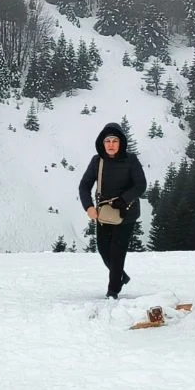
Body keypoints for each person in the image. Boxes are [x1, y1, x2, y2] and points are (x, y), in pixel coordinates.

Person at [78, 122, 147, 299]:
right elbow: (84, 186)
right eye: (107, 140)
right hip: (104, 213)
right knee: (103, 248)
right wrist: (89, 207)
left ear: (121, 142)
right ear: (102, 142)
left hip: (127, 213)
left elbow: (140, 185)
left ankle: (113, 290)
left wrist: (123, 200)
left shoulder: (131, 160)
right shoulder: (97, 161)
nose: (110, 144)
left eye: (114, 140)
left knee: (117, 251)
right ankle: (121, 275)